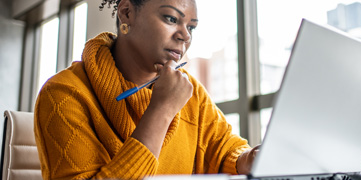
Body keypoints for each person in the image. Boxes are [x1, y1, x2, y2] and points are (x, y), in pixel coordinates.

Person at [34, 0, 259, 179]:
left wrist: (247, 160)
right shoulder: (63, 93)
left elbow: (225, 150)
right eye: (171, 19)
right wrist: (161, 110)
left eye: (191, 27)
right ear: (126, 13)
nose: (186, 35)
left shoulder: (191, 92)